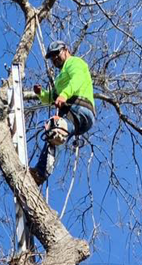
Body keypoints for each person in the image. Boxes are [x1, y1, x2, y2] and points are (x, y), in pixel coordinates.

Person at [30, 40, 95, 184]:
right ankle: (40, 173)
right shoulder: (60, 78)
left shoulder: (74, 63)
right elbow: (50, 98)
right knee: (54, 134)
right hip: (73, 115)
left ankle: (40, 173)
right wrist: (41, 93)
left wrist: (64, 95)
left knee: (56, 128)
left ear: (66, 49)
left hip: (80, 107)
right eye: (51, 57)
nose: (54, 58)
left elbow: (77, 80)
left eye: (56, 54)